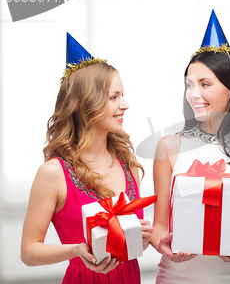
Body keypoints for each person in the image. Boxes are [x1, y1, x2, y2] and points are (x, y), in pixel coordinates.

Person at [20, 33, 153, 284]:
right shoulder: (53, 173)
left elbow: (128, 248)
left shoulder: (129, 166)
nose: (125, 104)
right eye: (114, 97)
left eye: (122, 95)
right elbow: (28, 252)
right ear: (83, 104)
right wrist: (76, 251)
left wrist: (142, 240)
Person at [151, 10, 230, 284]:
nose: (194, 94)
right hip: (176, 278)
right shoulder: (169, 146)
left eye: (206, 84)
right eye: (189, 85)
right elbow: (159, 226)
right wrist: (163, 244)